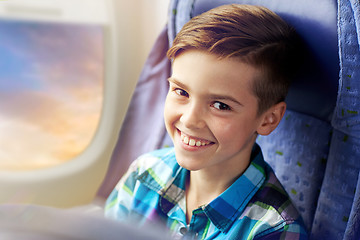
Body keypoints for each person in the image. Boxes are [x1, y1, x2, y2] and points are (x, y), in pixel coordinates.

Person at [105, 4, 308, 239]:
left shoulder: (273, 230)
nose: (190, 120)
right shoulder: (145, 173)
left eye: (220, 105)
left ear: (268, 119)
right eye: (181, 92)